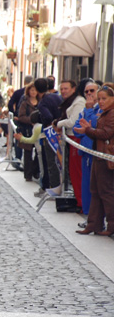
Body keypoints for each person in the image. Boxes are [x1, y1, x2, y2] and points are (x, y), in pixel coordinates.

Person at [74, 83, 114, 236]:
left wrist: (88, 130)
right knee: (96, 191)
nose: (101, 102)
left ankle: (111, 225)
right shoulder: (104, 113)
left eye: (104, 99)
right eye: (100, 99)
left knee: (107, 192)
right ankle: (93, 224)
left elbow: (106, 133)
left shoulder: (111, 114)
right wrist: (87, 128)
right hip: (98, 155)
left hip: (106, 157)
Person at [55, 79, 87, 203]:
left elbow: (73, 122)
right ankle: (79, 199)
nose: (63, 91)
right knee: (74, 170)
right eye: (61, 89)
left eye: (66, 88)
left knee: (76, 171)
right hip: (71, 137)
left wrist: (58, 123)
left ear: (73, 89)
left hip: (76, 137)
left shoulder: (79, 102)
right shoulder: (72, 101)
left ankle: (80, 201)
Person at [73, 81, 102, 215]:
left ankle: (94, 216)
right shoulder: (85, 109)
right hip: (85, 152)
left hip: (96, 153)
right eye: (87, 91)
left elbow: (92, 127)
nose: (89, 94)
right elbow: (77, 130)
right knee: (86, 186)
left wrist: (89, 110)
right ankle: (87, 214)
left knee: (96, 188)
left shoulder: (99, 109)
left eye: (92, 90)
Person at [35, 77, 63, 193]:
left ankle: (54, 188)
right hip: (61, 131)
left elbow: (48, 117)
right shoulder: (57, 97)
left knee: (51, 162)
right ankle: (61, 186)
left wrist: (50, 124)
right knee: (61, 161)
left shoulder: (42, 103)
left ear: (36, 89)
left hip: (51, 133)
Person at [13, 83, 39, 181]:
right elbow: (21, 116)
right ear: (28, 91)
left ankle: (35, 171)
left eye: (35, 90)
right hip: (27, 130)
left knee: (38, 152)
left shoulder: (40, 102)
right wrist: (31, 120)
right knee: (28, 153)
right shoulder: (25, 102)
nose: (33, 92)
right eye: (32, 90)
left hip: (38, 130)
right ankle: (28, 174)